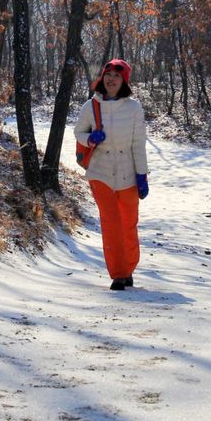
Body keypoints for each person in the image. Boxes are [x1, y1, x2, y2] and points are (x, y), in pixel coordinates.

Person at [74, 59, 149, 291]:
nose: (111, 79)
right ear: (102, 78)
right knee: (111, 223)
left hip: (128, 172)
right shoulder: (91, 106)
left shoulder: (134, 108)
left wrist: (142, 175)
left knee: (128, 223)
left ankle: (129, 268)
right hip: (100, 172)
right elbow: (78, 132)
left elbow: (138, 144)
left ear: (124, 80)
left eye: (117, 76)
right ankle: (118, 274)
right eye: (108, 75)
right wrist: (90, 138)